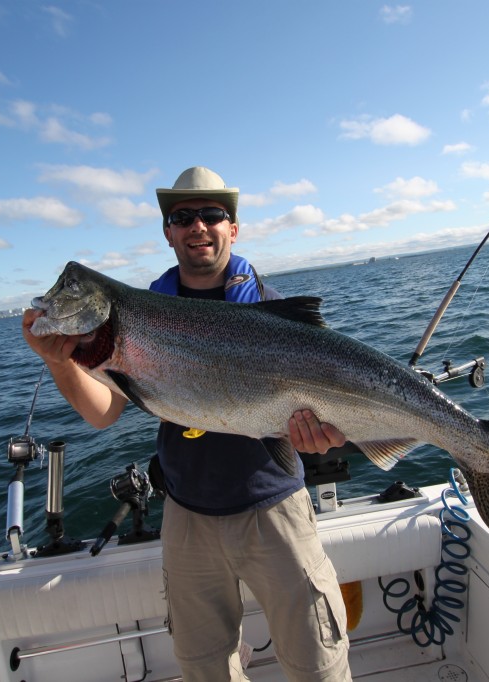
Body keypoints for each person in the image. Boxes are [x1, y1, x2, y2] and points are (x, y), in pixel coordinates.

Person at [22, 166, 353, 682]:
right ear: (168, 233)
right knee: (205, 670)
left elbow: (334, 415)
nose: (198, 225)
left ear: (232, 228)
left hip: (275, 512)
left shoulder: (270, 309)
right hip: (186, 519)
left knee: (318, 667)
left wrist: (328, 437)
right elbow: (102, 413)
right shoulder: (138, 318)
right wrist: (58, 361)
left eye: (212, 214)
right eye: (183, 218)